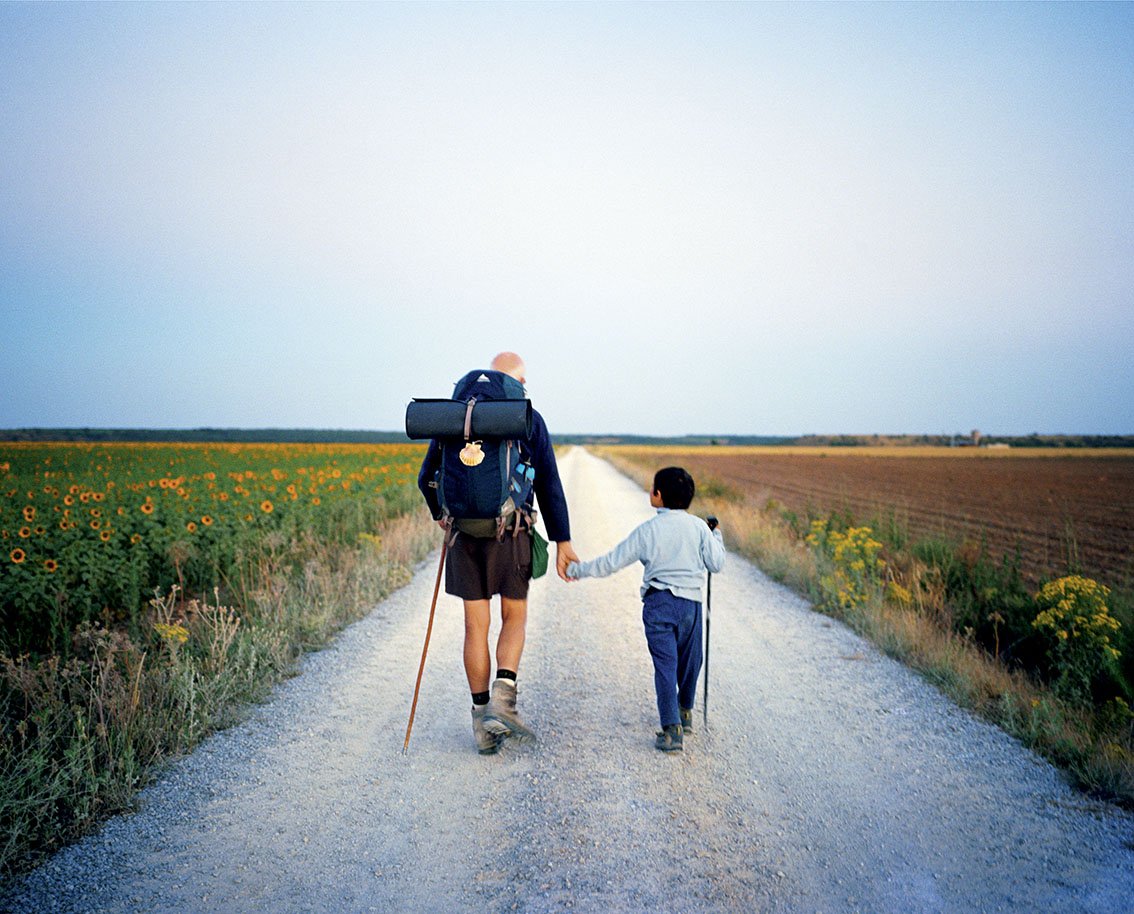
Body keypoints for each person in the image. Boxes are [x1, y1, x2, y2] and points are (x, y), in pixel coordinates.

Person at [417, 352, 579, 754]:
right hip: (512, 532)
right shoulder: (526, 418)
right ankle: (503, 703)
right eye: (523, 380)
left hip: (464, 535)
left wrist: (441, 513)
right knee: (515, 616)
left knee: (476, 627)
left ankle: (481, 726)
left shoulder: (455, 418)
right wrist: (563, 541)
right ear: (514, 383)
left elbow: (426, 478)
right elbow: (549, 484)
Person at [566, 466, 724, 752]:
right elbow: (716, 563)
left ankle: (671, 728)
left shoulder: (648, 531)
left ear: (658, 496)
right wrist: (717, 536)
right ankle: (685, 710)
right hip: (691, 606)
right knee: (691, 660)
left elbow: (612, 561)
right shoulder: (700, 528)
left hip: (658, 604)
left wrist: (578, 570)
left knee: (665, 665)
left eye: (653, 489)